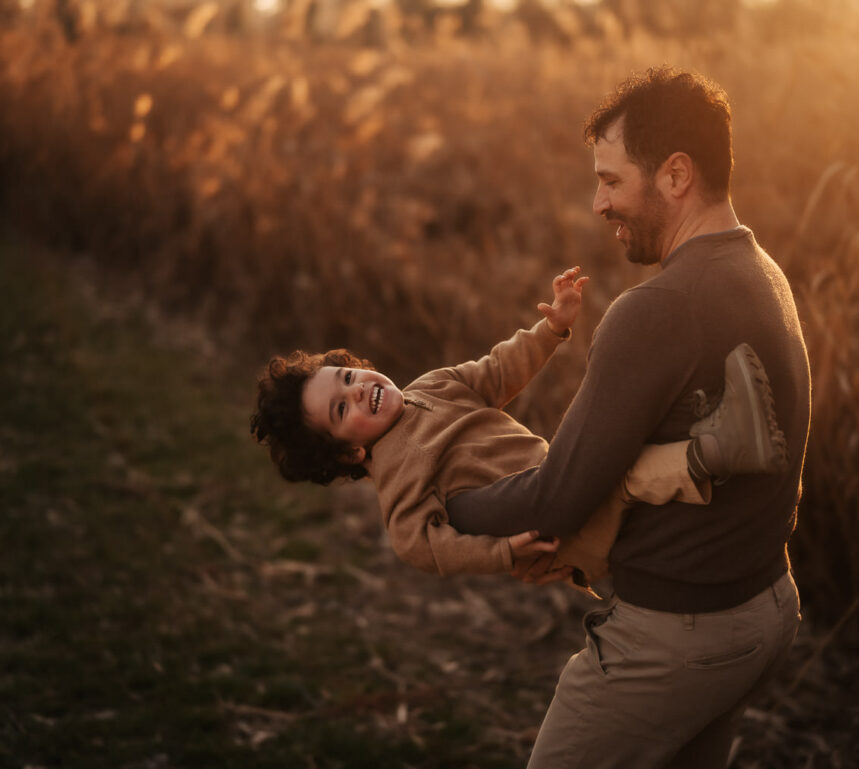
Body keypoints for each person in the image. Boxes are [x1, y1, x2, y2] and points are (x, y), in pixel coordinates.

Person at [445, 67, 812, 768]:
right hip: (763, 609)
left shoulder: (657, 309)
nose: (596, 203)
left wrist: (444, 507)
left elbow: (559, 493)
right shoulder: (762, 271)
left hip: (676, 639)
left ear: (676, 175)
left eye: (611, 181)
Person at [250, 266, 789, 595]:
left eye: (346, 376)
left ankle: (719, 436)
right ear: (348, 455)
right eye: (341, 410)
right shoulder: (399, 480)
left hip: (556, 476)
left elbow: (498, 370)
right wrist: (505, 553)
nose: (357, 389)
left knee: (627, 461)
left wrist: (552, 328)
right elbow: (426, 549)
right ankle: (722, 447)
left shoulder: (431, 387)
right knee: (624, 475)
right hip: (559, 532)